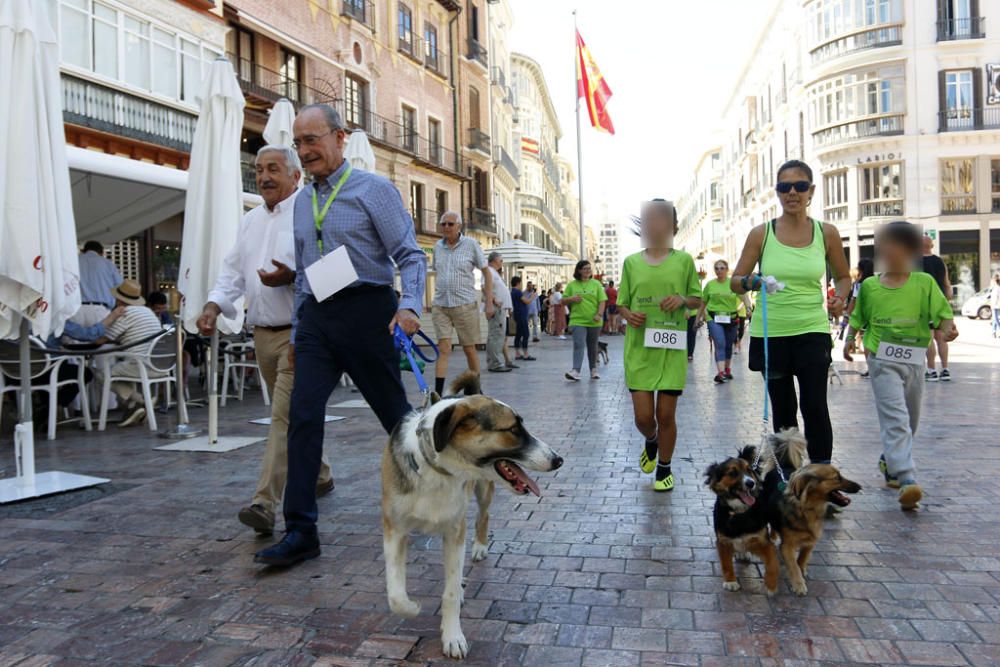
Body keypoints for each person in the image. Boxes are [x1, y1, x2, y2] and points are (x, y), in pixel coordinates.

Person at [254, 104, 426, 567]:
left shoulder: (374, 190)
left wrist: (409, 305)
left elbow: (410, 256)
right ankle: (301, 529)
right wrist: (298, 326)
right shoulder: (303, 202)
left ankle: (427, 498)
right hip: (316, 322)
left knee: (396, 418)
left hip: (368, 312)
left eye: (312, 140)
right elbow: (309, 272)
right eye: (299, 143)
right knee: (302, 416)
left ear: (340, 137)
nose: (305, 151)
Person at [197, 144, 334, 536]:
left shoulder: (314, 212)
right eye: (258, 169)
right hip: (261, 335)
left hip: (301, 333)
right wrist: (213, 304)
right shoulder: (250, 220)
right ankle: (321, 473)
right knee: (290, 418)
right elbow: (232, 274)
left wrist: (294, 277)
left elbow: (341, 270)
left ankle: (264, 502)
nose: (264, 177)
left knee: (281, 418)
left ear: (296, 175)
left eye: (273, 168)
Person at [731, 160, 851, 464]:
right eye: (785, 187)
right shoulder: (761, 234)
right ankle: (790, 476)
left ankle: (821, 476)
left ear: (811, 190)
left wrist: (840, 297)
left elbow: (843, 276)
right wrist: (751, 281)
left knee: (815, 405)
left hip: (812, 329)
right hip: (772, 334)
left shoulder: (827, 233)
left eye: (799, 186)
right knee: (784, 411)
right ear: (777, 192)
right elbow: (735, 281)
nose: (792, 193)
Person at [848, 221, 957, 510]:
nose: (888, 250)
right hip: (881, 360)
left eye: (895, 244)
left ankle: (889, 460)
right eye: (884, 244)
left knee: (911, 419)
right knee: (895, 418)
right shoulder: (870, 286)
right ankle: (907, 478)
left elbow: (944, 314)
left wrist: (948, 329)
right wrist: (849, 340)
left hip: (914, 360)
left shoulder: (924, 284)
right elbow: (858, 317)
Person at [617, 199, 702, 492]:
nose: (655, 226)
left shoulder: (684, 261)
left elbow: (697, 299)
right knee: (644, 418)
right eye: (650, 220)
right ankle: (651, 439)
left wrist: (682, 300)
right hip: (639, 350)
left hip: (671, 347)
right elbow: (622, 304)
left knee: (666, 414)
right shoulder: (631, 262)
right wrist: (629, 315)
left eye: (661, 220)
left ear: (673, 226)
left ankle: (664, 468)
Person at [430, 211, 493, 395]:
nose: (446, 227)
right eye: (443, 224)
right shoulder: (437, 247)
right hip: (441, 304)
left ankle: (475, 390)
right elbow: (437, 271)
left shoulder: (471, 244)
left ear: (459, 226)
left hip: (464, 304)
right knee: (443, 348)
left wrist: (488, 301)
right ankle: (438, 394)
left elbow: (486, 273)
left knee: (469, 348)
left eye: (450, 224)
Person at [92, 280, 168, 428]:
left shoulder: (125, 313)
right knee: (120, 369)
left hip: (141, 365)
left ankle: (140, 401)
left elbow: (99, 340)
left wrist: (110, 318)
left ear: (119, 299)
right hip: (161, 366)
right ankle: (133, 407)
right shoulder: (148, 312)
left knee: (101, 373)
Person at [698, 259, 751, 384]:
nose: (719, 271)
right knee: (720, 343)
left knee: (728, 345)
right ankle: (720, 373)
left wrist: (748, 307)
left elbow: (744, 296)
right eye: (716, 268)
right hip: (713, 318)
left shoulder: (733, 283)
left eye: (722, 268)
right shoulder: (710, 285)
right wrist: (699, 317)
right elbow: (703, 302)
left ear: (727, 270)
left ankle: (727, 369)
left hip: (731, 318)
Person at [562, 260, 607, 381]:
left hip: (594, 320)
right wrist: (571, 298)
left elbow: (602, 301)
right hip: (577, 320)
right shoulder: (572, 285)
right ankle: (576, 370)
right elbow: (562, 301)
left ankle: (593, 370)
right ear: (579, 270)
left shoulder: (596, 284)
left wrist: (599, 314)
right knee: (578, 344)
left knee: (592, 346)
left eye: (589, 268)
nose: (588, 271)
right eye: (585, 268)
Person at [921, 235, 953, 381]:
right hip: (940, 303)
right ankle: (945, 369)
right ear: (932, 246)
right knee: (942, 338)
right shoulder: (940, 262)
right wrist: (946, 302)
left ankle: (932, 370)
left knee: (929, 338)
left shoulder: (915, 262)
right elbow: (947, 284)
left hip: (924, 304)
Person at [73, 240, 123, 327]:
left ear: (83, 250)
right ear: (102, 252)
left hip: (76, 310)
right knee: (101, 339)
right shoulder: (108, 264)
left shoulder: (74, 262)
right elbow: (120, 287)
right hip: (101, 311)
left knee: (74, 339)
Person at [841, 258, 875, 376]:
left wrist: (847, 316)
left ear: (860, 269)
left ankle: (871, 369)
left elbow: (854, 301)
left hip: (864, 316)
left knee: (867, 342)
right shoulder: (877, 281)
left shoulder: (859, 284)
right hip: (876, 314)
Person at [484, 252, 512, 373]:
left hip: (500, 308)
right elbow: (484, 287)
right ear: (494, 260)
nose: (502, 263)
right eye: (501, 260)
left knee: (497, 335)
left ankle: (494, 361)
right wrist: (494, 300)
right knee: (496, 335)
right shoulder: (489, 271)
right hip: (496, 308)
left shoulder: (493, 272)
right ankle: (496, 363)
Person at [509, 277, 537, 362]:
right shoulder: (518, 292)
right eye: (521, 283)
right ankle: (526, 354)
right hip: (521, 315)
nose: (521, 285)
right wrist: (532, 296)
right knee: (526, 334)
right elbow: (527, 301)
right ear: (518, 283)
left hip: (517, 314)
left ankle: (517, 353)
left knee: (519, 334)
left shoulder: (512, 292)